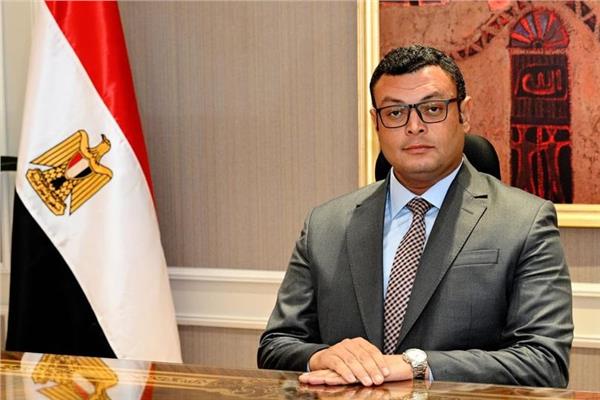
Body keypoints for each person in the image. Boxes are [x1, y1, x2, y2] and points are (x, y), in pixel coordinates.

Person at [257, 45, 573, 388]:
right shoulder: (326, 225)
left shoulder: (525, 222)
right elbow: (275, 346)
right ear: (376, 123)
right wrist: (322, 356)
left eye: (432, 109)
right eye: (395, 113)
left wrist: (417, 365)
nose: (414, 126)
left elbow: (544, 362)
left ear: (465, 114)